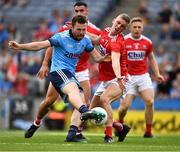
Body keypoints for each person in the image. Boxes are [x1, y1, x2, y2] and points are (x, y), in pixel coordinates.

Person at [9, 15, 108, 142]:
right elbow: (40, 45)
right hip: (58, 72)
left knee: (51, 102)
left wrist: (107, 57)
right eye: (79, 29)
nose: (82, 32)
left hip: (69, 73)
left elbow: (97, 57)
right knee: (74, 92)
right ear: (72, 27)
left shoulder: (86, 40)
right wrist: (20, 46)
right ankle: (84, 111)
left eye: (84, 30)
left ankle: (63, 131)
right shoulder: (61, 37)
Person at [116, 17, 164, 138]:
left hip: (143, 76)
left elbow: (151, 58)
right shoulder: (124, 40)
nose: (137, 29)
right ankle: (120, 124)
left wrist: (157, 73)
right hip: (128, 77)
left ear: (142, 28)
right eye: (134, 27)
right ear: (130, 28)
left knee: (150, 101)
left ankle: (148, 131)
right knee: (124, 107)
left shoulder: (147, 42)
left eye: (139, 27)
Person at [88, 13, 131, 143]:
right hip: (106, 80)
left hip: (120, 79)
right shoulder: (106, 30)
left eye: (122, 26)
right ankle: (121, 127)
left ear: (124, 29)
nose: (118, 26)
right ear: (113, 20)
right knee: (91, 112)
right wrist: (82, 32)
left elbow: (116, 61)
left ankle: (109, 135)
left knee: (104, 99)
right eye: (118, 22)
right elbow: (97, 40)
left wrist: (118, 78)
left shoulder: (117, 43)